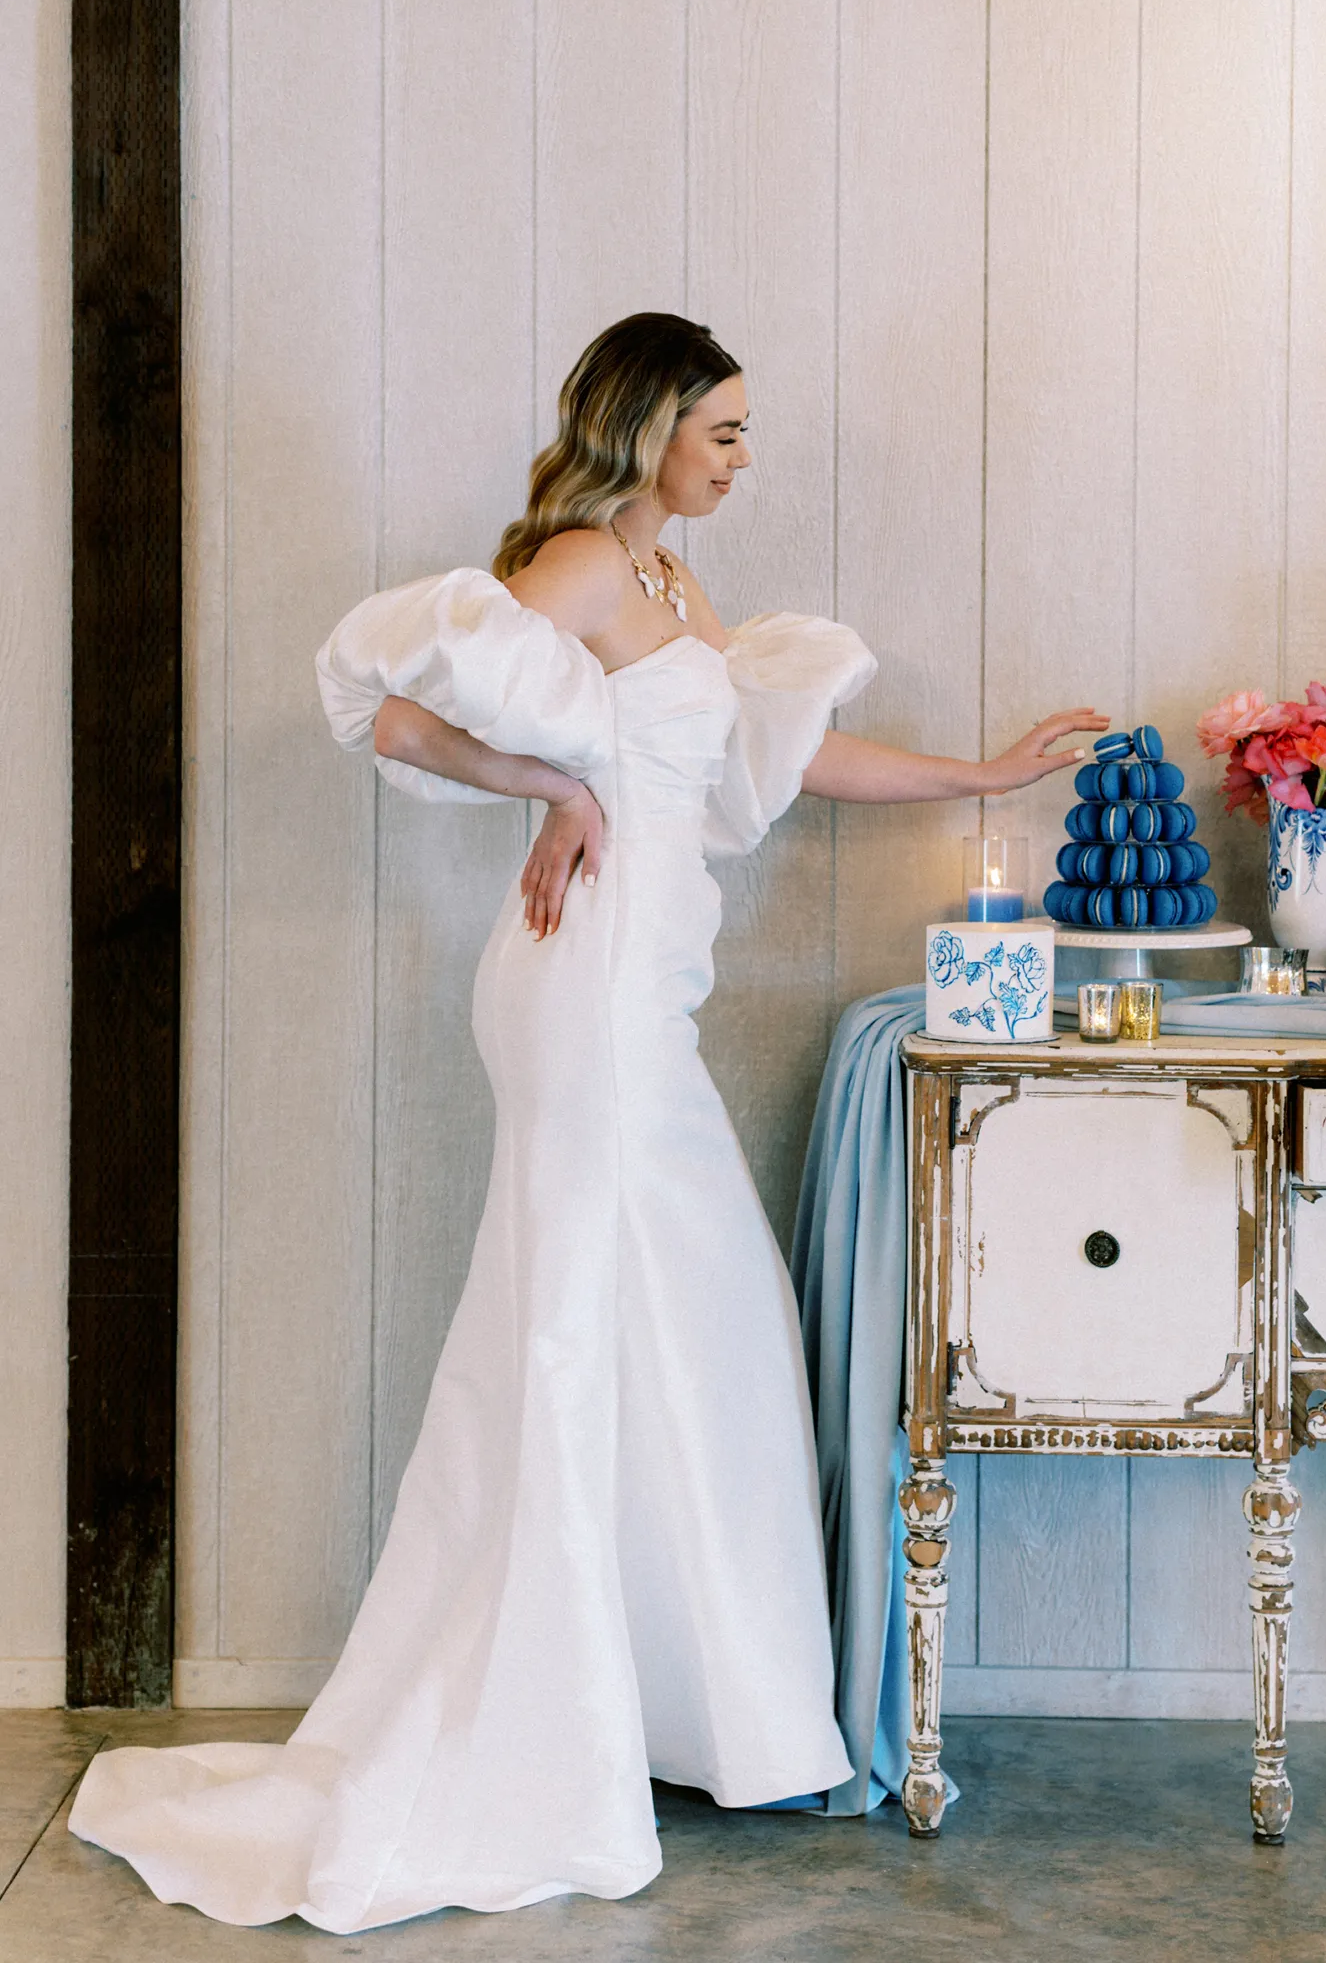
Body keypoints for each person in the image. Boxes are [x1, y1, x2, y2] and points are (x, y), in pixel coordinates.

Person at [70, 313, 1107, 1932]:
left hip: (643, 989)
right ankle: (543, 1737)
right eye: (725, 431)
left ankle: (688, 1711)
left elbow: (779, 752)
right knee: (580, 1325)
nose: (744, 460)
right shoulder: (575, 565)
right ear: (648, 425)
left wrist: (982, 774)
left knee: (684, 1325)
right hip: (586, 994)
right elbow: (388, 709)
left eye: (746, 433)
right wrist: (556, 790)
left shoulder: (674, 584)